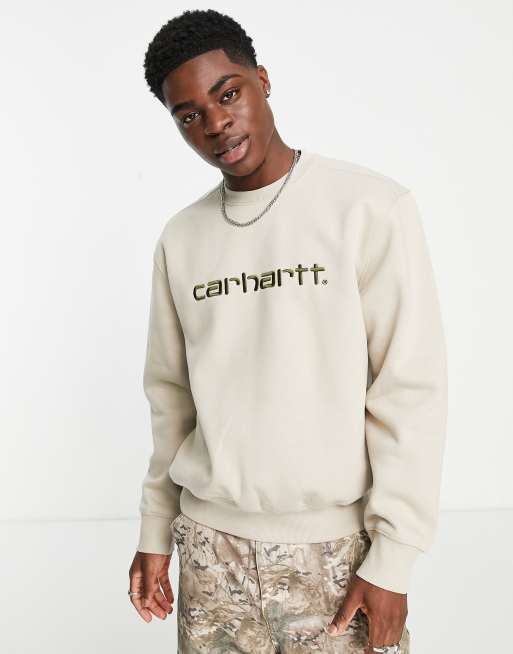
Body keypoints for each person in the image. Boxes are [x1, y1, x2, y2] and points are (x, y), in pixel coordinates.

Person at [128, 9, 448, 654]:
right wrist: (155, 530)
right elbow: (171, 399)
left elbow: (409, 388)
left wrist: (393, 559)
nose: (215, 123)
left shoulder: (368, 207)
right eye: (188, 115)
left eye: (228, 94)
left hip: (336, 555)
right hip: (210, 556)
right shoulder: (181, 239)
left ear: (263, 80)